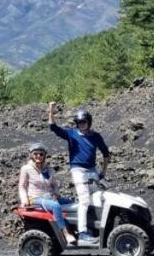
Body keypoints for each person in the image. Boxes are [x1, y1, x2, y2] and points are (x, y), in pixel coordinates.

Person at [47, 102, 110, 241]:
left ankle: (94, 227)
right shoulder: (71, 134)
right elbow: (53, 127)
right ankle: (82, 232)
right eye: (79, 122)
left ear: (89, 122)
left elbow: (106, 154)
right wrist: (51, 110)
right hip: (78, 170)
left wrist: (103, 172)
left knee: (98, 197)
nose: (82, 124)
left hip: (92, 170)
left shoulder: (96, 136)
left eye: (84, 121)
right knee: (84, 200)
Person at [18, 142, 77, 246]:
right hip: (35, 198)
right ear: (31, 155)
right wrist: (24, 199)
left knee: (75, 203)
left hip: (50, 196)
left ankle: (79, 230)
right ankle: (66, 233)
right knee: (55, 206)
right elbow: (22, 186)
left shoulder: (48, 169)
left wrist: (56, 194)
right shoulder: (26, 169)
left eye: (41, 154)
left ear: (44, 155)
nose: (38, 156)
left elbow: (54, 185)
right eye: (36, 153)